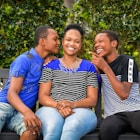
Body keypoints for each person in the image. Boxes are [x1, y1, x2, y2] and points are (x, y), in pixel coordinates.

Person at [36, 23, 99, 140]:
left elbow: (92, 100)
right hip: (51, 108)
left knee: (71, 128)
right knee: (52, 129)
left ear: (80, 45)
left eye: (76, 41)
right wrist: (59, 106)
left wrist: (72, 104)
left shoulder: (89, 67)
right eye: (68, 40)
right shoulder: (50, 65)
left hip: (81, 111)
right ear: (62, 42)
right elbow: (43, 96)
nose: (72, 44)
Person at [0, 25, 60, 140]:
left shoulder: (47, 63)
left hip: (19, 114)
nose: (58, 42)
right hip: (4, 106)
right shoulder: (24, 60)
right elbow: (11, 94)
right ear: (42, 41)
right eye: (55, 39)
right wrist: (27, 112)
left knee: (32, 131)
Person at [91, 30, 140, 140]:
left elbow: (123, 94)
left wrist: (105, 68)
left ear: (114, 44)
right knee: (106, 130)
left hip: (135, 111)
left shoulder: (127, 61)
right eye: (95, 43)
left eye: (101, 41)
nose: (97, 45)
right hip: (114, 115)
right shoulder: (97, 66)